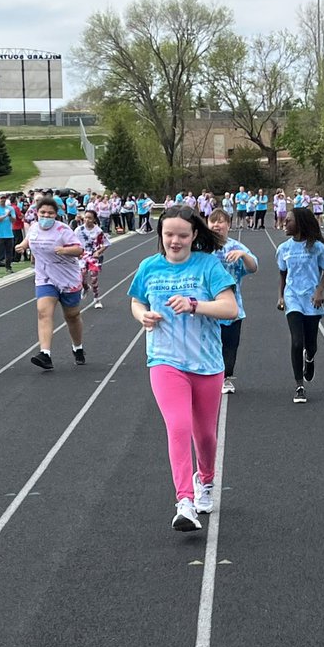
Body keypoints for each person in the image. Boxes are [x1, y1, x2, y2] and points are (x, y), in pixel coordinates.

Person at [128, 205, 238, 531]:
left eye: (182, 235)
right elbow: (136, 300)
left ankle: (205, 479)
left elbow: (230, 308)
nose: (175, 241)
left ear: (194, 235)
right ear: (160, 235)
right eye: (169, 235)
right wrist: (142, 315)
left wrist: (194, 305)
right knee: (177, 426)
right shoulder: (148, 267)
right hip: (164, 360)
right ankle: (185, 501)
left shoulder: (208, 266)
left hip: (206, 363)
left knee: (205, 435)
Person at [14, 197, 87, 371]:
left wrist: (65, 250)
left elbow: (79, 250)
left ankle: (78, 347)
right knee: (43, 312)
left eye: (50, 213)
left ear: (56, 214)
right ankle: (45, 354)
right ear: (37, 213)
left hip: (67, 278)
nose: (46, 216)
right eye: (43, 213)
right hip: (45, 277)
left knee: (72, 316)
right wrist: (22, 246)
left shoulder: (63, 230)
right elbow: (29, 239)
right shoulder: (34, 228)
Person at [277, 207, 324, 404]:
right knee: (296, 341)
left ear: (300, 223)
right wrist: (281, 296)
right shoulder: (283, 249)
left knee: (311, 344)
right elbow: (283, 274)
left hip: (311, 299)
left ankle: (309, 358)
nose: (284, 223)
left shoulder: (317, 247)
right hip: (292, 297)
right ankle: (299, 386)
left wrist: (320, 291)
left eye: (289, 220)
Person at [206, 209, 258, 395]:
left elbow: (253, 267)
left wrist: (243, 255)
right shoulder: (200, 247)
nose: (216, 225)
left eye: (220, 221)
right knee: (209, 344)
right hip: (207, 308)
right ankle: (210, 377)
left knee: (229, 345)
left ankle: (226, 377)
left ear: (228, 225)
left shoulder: (236, 247)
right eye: (213, 221)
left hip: (232, 307)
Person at [76, 210, 110, 309]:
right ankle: (86, 287)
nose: (87, 220)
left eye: (89, 218)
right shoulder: (79, 230)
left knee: (94, 279)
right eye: (85, 217)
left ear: (94, 219)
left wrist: (98, 252)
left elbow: (106, 244)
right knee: (82, 277)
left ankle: (97, 299)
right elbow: (73, 242)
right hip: (82, 256)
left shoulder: (98, 231)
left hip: (93, 257)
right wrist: (76, 252)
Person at [0, 195, 16, 273]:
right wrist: (5, 215)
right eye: (1, 199)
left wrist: (10, 215)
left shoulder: (10, 209)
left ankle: (8, 267)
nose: (3, 200)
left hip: (9, 234)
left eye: (4, 199)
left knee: (9, 252)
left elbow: (13, 220)